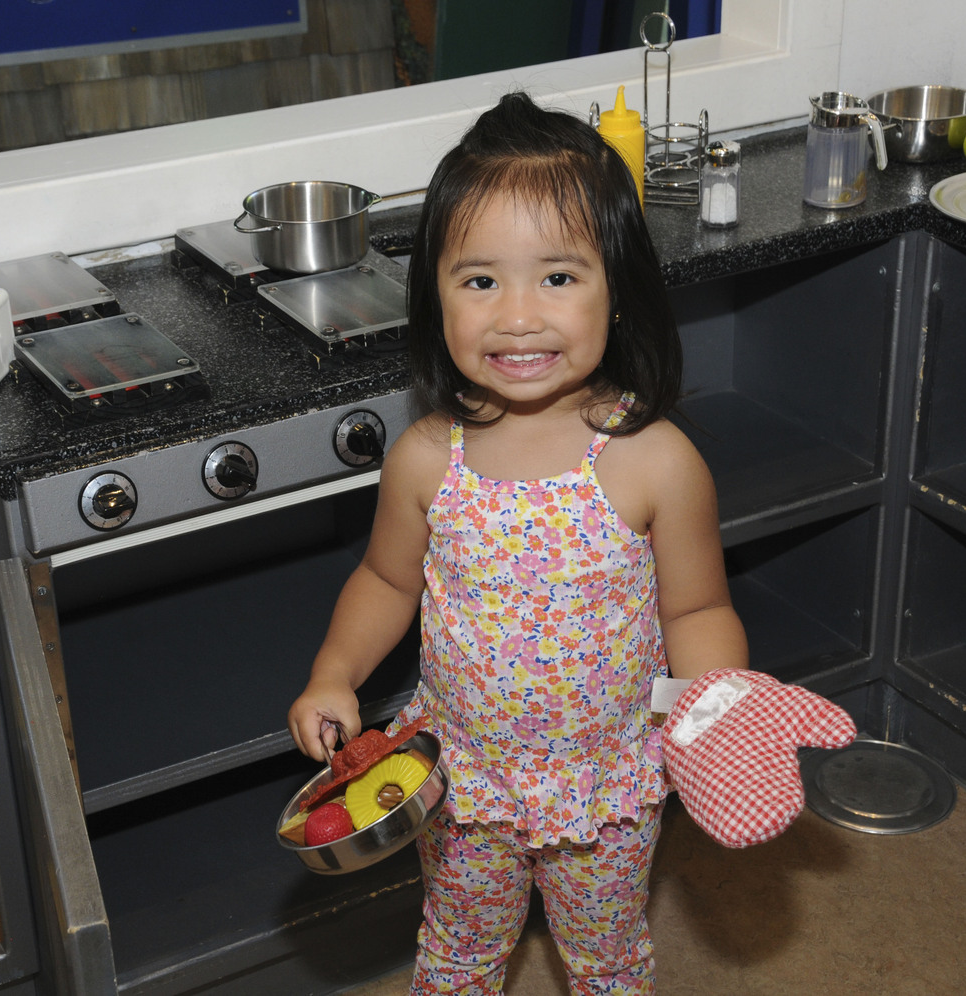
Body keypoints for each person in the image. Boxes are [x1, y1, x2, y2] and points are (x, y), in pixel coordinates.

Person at [287, 90, 749, 995]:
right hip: (460, 779)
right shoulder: (427, 459)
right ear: (436, 297)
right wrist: (334, 672)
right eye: (480, 279)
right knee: (459, 947)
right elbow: (385, 580)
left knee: (608, 960)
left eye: (560, 276)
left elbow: (697, 607)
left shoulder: (656, 461)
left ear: (619, 291)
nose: (517, 315)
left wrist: (714, 716)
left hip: (606, 786)